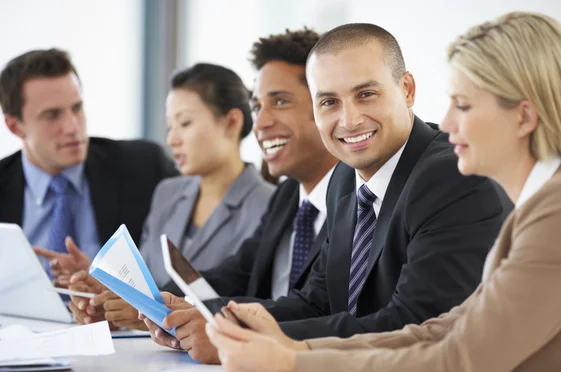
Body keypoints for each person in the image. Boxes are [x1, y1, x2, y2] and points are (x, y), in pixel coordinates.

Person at [206, 12, 561, 372]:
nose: (445, 122)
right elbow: (442, 330)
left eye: (462, 105)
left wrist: (291, 367)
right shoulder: (546, 201)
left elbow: (453, 364)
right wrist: (298, 349)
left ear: (524, 117)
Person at [145, 24, 511, 362]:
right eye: (329, 102)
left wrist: (242, 339)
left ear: (407, 90)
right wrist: (206, 314)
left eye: (366, 94)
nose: (348, 120)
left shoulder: (453, 177)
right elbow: (317, 303)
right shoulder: (344, 180)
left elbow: (415, 324)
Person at [75, 29, 340, 339]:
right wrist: (142, 301)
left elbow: (313, 309)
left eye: (280, 101)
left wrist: (203, 320)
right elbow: (230, 276)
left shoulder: (356, 203)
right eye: (257, 107)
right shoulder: (288, 199)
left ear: (326, 104)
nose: (262, 122)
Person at [53, 63, 276, 328]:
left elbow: (249, 303)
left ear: (232, 122)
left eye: (185, 123)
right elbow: (145, 288)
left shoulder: (269, 205)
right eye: (170, 126)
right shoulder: (167, 193)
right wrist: (108, 301)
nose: (172, 139)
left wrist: (143, 312)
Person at [0, 48, 178, 285]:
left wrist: (104, 282)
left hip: (121, 321)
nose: (73, 126)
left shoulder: (143, 166)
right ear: (15, 127)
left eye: (76, 108)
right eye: (52, 115)